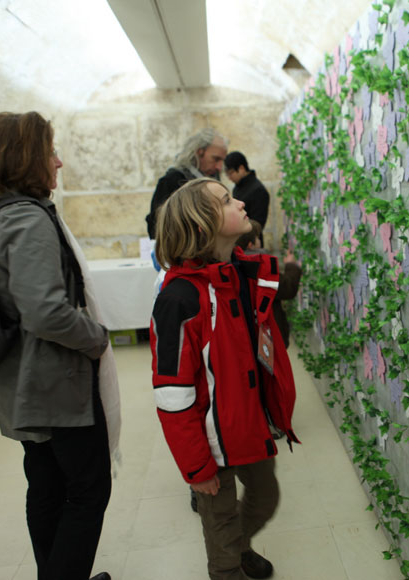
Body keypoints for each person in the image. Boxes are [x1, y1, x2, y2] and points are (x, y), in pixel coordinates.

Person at [0, 112, 118, 580]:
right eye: (51, 151)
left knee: (48, 487)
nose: (59, 162)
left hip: (20, 382)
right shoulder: (25, 218)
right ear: (27, 156)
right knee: (88, 491)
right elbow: (46, 313)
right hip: (56, 386)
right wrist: (97, 338)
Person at [150, 178, 299, 580]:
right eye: (227, 200)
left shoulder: (239, 274)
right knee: (220, 541)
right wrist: (197, 467)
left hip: (248, 423)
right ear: (202, 226)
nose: (242, 203)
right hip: (209, 443)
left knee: (265, 496)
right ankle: (230, 560)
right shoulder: (179, 300)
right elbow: (172, 394)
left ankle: (240, 543)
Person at [146, 128, 228, 239]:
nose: (219, 167)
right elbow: (157, 226)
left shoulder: (212, 179)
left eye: (222, 160)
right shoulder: (173, 181)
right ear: (200, 152)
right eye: (216, 159)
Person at [236, 220, 302, 349]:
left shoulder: (236, 264)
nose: (260, 241)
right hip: (270, 337)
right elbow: (287, 288)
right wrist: (291, 265)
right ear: (251, 245)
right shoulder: (259, 267)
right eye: (258, 238)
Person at [224, 151, 270, 244]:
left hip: (251, 244)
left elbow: (257, 225)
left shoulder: (258, 190)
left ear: (241, 168)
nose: (229, 177)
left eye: (231, 173)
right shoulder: (238, 186)